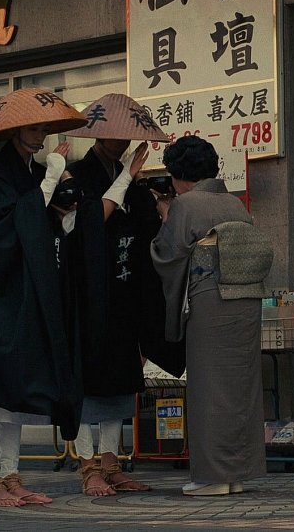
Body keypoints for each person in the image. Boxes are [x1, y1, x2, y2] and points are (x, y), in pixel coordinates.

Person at [0, 88, 87, 508]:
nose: (40, 136)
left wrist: (63, 213)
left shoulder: (34, 172)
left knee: (13, 392)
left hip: (25, 296)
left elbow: (40, 225)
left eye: (43, 129)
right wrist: (48, 183)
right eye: (33, 128)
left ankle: (11, 475)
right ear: (15, 131)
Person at [63, 93, 183, 496]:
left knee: (120, 380)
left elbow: (148, 233)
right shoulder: (77, 175)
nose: (121, 141)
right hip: (89, 293)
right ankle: (88, 465)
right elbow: (83, 227)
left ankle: (112, 463)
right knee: (88, 379)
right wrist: (127, 177)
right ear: (99, 134)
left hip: (127, 292)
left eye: (126, 135)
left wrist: (163, 209)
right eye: (114, 135)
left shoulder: (134, 181)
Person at [150, 135, 272, 496]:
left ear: (178, 175)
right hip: (246, 301)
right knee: (240, 386)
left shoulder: (186, 204)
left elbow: (166, 254)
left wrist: (165, 216)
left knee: (208, 386)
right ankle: (236, 473)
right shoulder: (234, 204)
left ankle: (211, 477)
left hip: (210, 300)